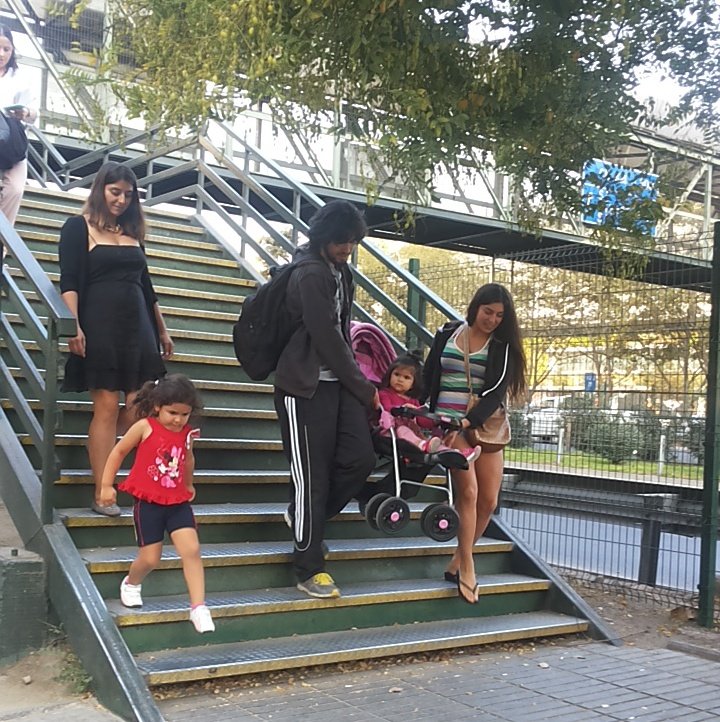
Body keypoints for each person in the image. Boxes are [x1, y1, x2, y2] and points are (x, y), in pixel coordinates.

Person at [274, 199, 379, 600]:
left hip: (338, 385)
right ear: (323, 236)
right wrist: (365, 387)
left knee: (361, 459)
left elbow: (344, 332)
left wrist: (357, 383)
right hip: (302, 387)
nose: (347, 248)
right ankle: (308, 566)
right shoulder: (309, 273)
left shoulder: (341, 272)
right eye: (341, 241)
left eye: (353, 242)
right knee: (310, 479)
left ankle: (305, 522)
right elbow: (327, 337)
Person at [59, 161, 174, 516]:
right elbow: (70, 280)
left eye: (128, 194)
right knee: (106, 406)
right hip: (99, 323)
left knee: (140, 405)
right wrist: (73, 325)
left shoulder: (132, 231)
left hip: (137, 326)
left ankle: (100, 446)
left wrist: (162, 328)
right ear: (100, 190)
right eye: (115, 192)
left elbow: (146, 284)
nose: (122, 200)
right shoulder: (78, 227)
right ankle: (103, 489)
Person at [423, 283, 527, 604]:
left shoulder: (502, 347)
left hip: (481, 427)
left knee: (489, 502)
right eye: (487, 312)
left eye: (499, 315)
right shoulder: (448, 334)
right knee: (468, 493)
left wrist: (468, 422)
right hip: (449, 427)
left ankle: (456, 560)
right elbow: (429, 378)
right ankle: (468, 565)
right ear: (475, 307)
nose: (492, 319)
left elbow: (494, 393)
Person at [98, 374, 214, 633]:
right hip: (148, 501)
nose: (178, 420)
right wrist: (106, 485)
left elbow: (188, 459)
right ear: (158, 406)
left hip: (177, 502)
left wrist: (188, 483)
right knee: (150, 558)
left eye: (184, 415)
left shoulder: (187, 434)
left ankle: (198, 607)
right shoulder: (145, 426)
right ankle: (131, 582)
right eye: (173, 413)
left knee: (192, 549)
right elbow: (118, 452)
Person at [378, 353, 480, 461]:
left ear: (413, 384)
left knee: (430, 440)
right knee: (405, 431)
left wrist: (434, 420)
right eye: (397, 374)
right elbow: (388, 408)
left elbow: (421, 421)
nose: (400, 379)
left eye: (406, 377)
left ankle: (457, 454)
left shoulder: (413, 401)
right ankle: (423, 445)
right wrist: (403, 408)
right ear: (390, 375)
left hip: (414, 434)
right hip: (392, 432)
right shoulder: (384, 394)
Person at [0, 26, 37, 226]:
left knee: (15, 189)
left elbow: (34, 111)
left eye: (7, 49)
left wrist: (25, 113)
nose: (2, 54)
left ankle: (2, 244)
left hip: (12, 141)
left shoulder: (21, 77)